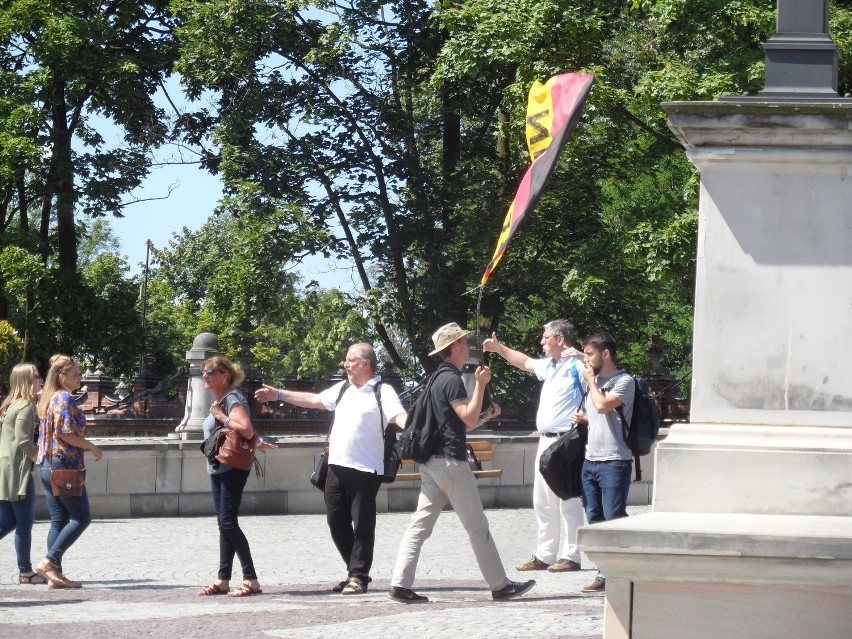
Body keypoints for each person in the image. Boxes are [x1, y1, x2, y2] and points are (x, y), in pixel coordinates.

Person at [388, 322, 535, 604]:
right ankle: (500, 586)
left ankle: (400, 584)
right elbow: (467, 417)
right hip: (451, 465)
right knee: (477, 527)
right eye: (464, 341)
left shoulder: (435, 379)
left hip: (432, 464)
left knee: (419, 527)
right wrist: (480, 386)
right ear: (454, 346)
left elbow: (457, 425)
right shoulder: (452, 379)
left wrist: (485, 417)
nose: (468, 345)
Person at [255, 343, 406, 595]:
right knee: (336, 522)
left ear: (365, 363)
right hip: (335, 466)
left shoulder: (382, 390)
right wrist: (279, 394)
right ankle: (355, 573)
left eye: (350, 360)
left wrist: (415, 424)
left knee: (363, 524)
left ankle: (357, 576)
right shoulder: (344, 388)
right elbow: (314, 400)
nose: (345, 364)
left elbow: (398, 416)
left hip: (367, 469)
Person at [482, 320, 587, 574]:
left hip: (567, 440)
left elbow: (604, 373)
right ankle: (545, 553)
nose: (541, 342)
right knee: (542, 500)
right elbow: (525, 362)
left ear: (560, 339)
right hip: (546, 440)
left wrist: (585, 356)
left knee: (568, 499)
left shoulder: (578, 364)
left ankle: (571, 555)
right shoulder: (551, 365)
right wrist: (499, 349)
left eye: (545, 337)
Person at [198, 355, 275, 597]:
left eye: (209, 371)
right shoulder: (222, 399)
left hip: (231, 468)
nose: (205, 375)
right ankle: (223, 579)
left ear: (225, 375)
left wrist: (221, 417)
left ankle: (251, 579)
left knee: (229, 523)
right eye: (204, 371)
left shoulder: (232, 399)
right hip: (218, 467)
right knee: (224, 524)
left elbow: (245, 428)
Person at [570, 332, 635, 592]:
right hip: (591, 460)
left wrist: (591, 383)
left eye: (589, 354)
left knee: (613, 517)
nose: (586, 359)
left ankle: (621, 570)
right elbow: (596, 413)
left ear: (605, 354)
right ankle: (604, 571)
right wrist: (583, 419)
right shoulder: (593, 382)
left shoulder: (624, 381)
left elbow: (603, 406)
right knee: (595, 517)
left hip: (615, 461)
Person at [34, 355, 103, 588]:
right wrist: (92, 446)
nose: (79, 377)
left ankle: (55, 575)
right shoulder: (63, 398)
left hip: (47, 464)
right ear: (61, 376)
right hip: (64, 464)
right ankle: (49, 561)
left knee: (59, 520)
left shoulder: (50, 398)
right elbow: (65, 434)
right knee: (81, 517)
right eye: (75, 374)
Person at [0, 362, 46, 585]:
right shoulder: (26, 407)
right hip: (18, 472)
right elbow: (23, 440)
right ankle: (26, 572)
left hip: (6, 469)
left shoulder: (11, 405)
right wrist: (40, 458)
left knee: (7, 522)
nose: (40, 380)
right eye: (36, 376)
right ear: (26, 381)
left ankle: (25, 571)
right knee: (25, 522)